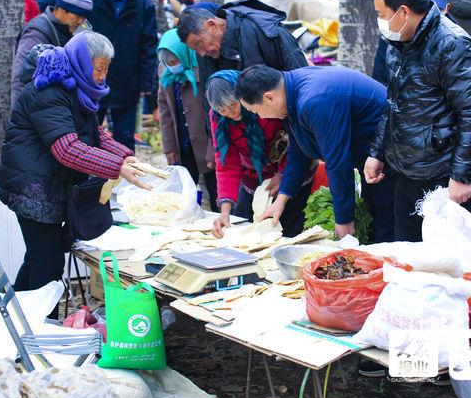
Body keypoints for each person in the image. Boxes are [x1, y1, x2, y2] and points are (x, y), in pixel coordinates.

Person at [0, 31, 149, 295]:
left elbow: (95, 135)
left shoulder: (76, 88)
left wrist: (124, 156)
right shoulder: (49, 91)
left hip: (49, 186)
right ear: (81, 61)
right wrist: (116, 167)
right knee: (48, 266)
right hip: (33, 189)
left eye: (105, 70)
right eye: (98, 69)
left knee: (38, 258)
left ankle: (16, 320)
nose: (102, 77)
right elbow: (67, 149)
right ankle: (44, 329)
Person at [364, 0, 471, 242]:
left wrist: (461, 175)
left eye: (381, 14)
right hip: (409, 172)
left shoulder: (452, 44)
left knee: (446, 265)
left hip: (446, 175)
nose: (380, 21)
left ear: (404, 12)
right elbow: (393, 103)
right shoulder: (397, 43)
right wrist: (377, 152)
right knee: (409, 259)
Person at [236, 64, 398, 242]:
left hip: (390, 154)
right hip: (370, 160)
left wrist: (343, 219)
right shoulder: (290, 91)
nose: (261, 117)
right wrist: (282, 198)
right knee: (375, 219)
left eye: (256, 111)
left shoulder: (314, 100)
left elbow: (337, 161)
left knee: (386, 226)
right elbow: (299, 150)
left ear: (269, 98)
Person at [207, 70, 313, 238]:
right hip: (253, 177)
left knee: (284, 232)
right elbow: (226, 162)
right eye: (222, 110)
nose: (231, 113)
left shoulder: (261, 103)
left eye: (233, 105)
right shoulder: (219, 120)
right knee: (247, 230)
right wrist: (224, 211)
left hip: (291, 173)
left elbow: (293, 142)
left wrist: (281, 174)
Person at [89, 0, 158, 152]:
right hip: (93, 79)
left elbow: (148, 49)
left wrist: (148, 87)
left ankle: (124, 180)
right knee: (89, 135)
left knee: (124, 139)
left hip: (128, 79)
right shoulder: (93, 1)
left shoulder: (143, 5)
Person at [156, 29, 218, 212]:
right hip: (184, 144)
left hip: (205, 142)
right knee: (186, 193)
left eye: (175, 60)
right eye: (168, 62)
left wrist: (213, 148)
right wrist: (170, 148)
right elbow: (165, 111)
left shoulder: (203, 70)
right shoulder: (166, 73)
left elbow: (215, 113)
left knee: (215, 192)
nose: (172, 65)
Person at [177, 0, 308, 84]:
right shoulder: (207, 54)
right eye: (195, 49)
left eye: (199, 43)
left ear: (212, 26)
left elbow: (301, 80)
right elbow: (211, 104)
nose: (202, 53)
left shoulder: (262, 29)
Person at [11, 0, 94, 107]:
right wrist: (19, 120)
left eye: (84, 17)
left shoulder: (68, 31)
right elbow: (20, 80)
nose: (80, 21)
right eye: (77, 15)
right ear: (61, 8)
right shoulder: (37, 33)